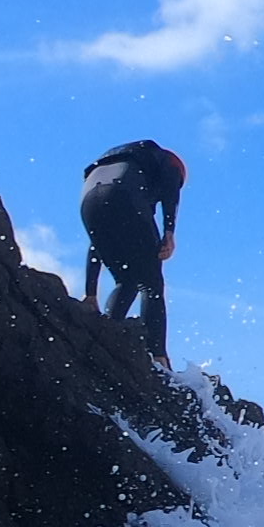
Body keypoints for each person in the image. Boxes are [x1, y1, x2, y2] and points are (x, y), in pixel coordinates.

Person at [78, 139, 186, 364]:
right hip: (123, 192)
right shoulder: (172, 164)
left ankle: (107, 333)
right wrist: (169, 232)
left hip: (88, 197)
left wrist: (90, 293)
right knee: (151, 283)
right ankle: (157, 357)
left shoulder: (131, 161)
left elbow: (96, 243)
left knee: (126, 280)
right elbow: (170, 193)